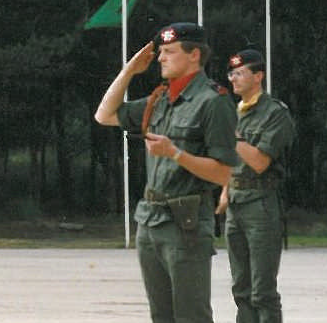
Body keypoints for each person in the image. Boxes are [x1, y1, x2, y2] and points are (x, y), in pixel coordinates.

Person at [94, 22, 239, 323]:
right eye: (160, 52)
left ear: (194, 55)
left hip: (185, 223)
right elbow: (105, 114)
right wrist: (128, 72)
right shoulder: (160, 99)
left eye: (169, 52)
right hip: (151, 219)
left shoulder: (213, 101)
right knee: (161, 316)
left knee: (191, 315)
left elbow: (225, 173)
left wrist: (175, 153)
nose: (160, 58)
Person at [220, 48, 294, 323]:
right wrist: (225, 192)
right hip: (237, 202)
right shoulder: (233, 111)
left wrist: (233, 136)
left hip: (261, 203)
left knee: (262, 290)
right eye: (231, 74)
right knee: (241, 288)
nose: (233, 79)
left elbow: (261, 161)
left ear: (258, 76)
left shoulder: (274, 113)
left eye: (239, 73)